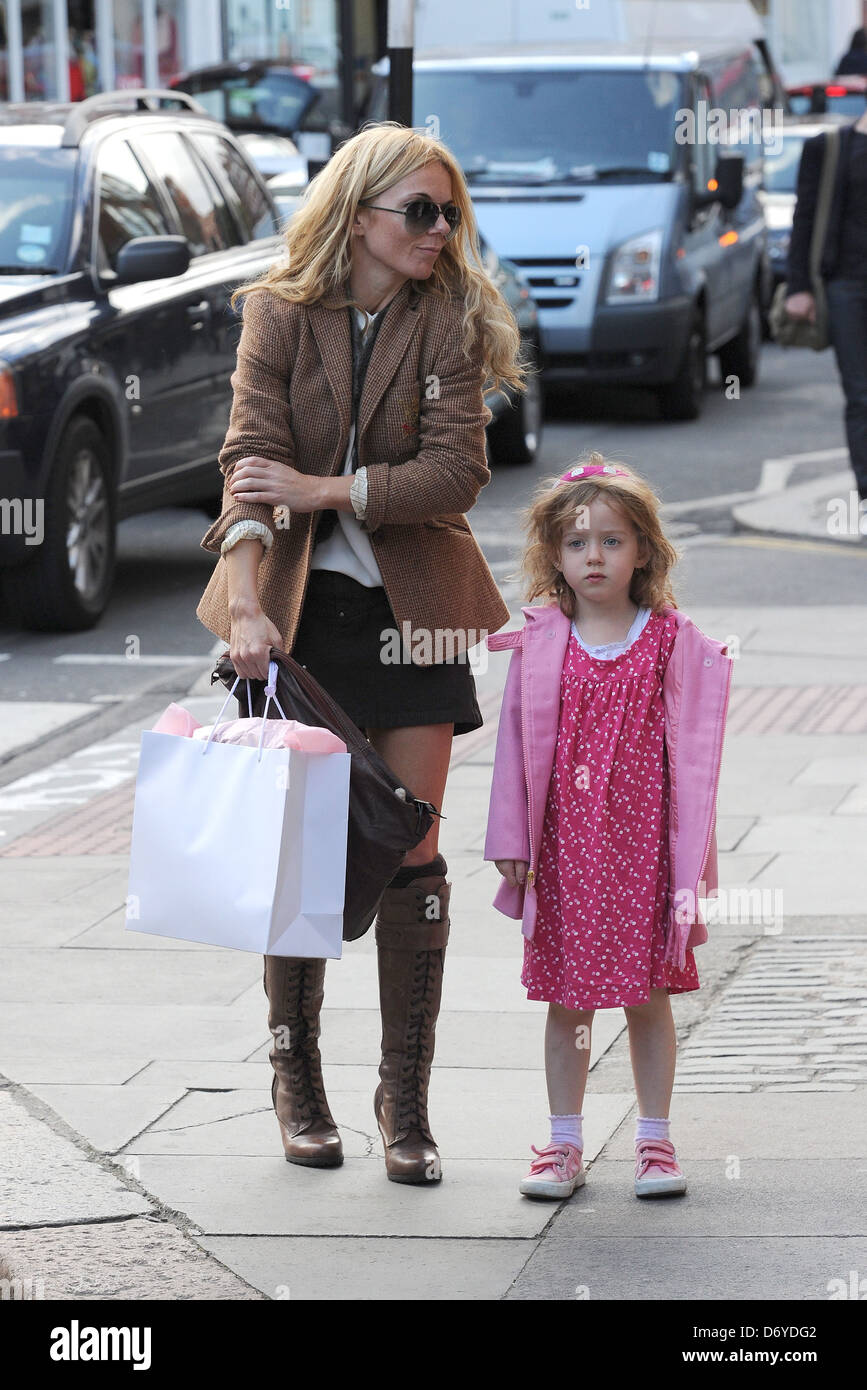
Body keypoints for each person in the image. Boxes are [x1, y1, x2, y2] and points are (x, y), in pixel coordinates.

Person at [195, 122, 524, 1184]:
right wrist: (247, 606)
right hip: (304, 616)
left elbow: (455, 474)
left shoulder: (447, 321)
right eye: (419, 211)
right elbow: (249, 458)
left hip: (419, 611)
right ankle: (298, 1083)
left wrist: (326, 490)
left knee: (412, 850)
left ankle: (407, 1101)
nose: (439, 231)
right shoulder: (280, 314)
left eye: (449, 214)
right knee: (301, 858)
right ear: (360, 213)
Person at [483, 456, 732, 1200]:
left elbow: (695, 735)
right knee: (569, 1000)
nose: (594, 556)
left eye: (612, 541)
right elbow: (512, 749)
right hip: (564, 851)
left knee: (648, 995)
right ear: (552, 555)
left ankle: (653, 1142)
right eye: (577, 542)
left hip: (644, 849)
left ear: (644, 551)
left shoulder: (666, 637)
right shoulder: (540, 639)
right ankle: (562, 1145)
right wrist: (509, 841)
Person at [786, 101, 867, 505]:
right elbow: (804, 217)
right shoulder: (831, 147)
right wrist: (797, 286)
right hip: (847, 286)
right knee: (861, 394)